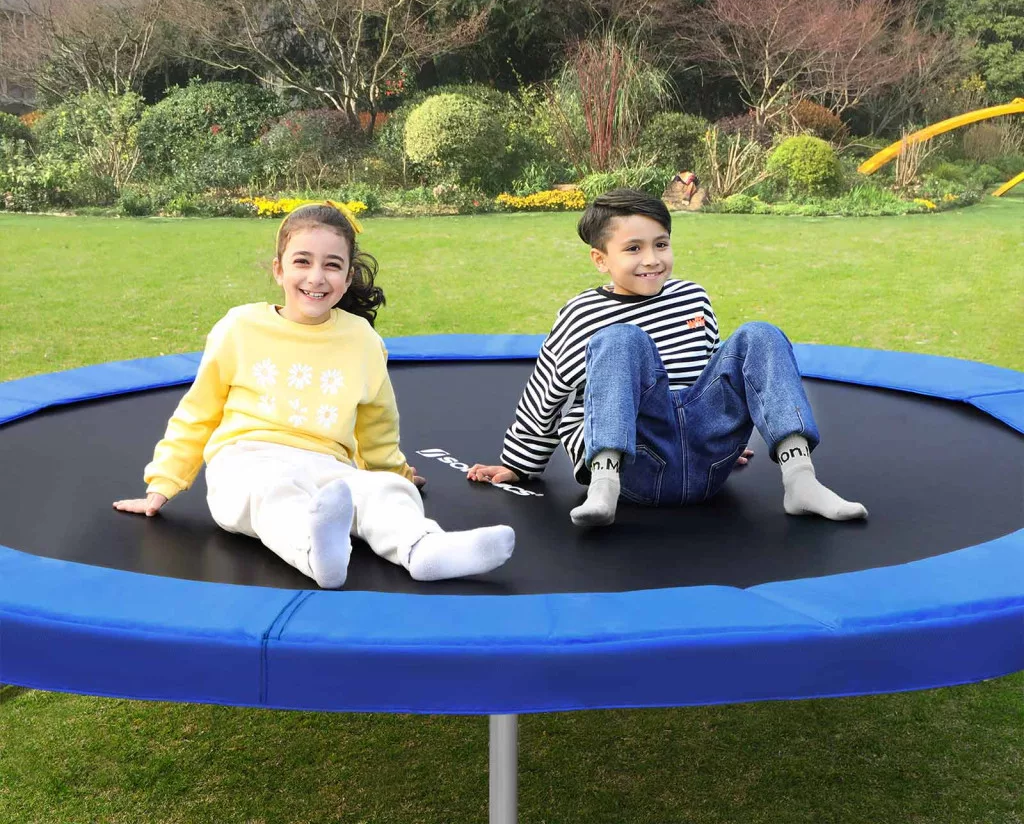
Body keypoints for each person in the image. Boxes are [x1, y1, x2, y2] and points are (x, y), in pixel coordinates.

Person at [114, 202, 515, 587]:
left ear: (348, 276)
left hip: (327, 465)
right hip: (245, 460)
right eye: (302, 262)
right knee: (273, 493)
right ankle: (314, 549)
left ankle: (424, 549)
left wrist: (396, 476)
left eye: (332, 265)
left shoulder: (361, 339)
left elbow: (378, 425)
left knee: (381, 494)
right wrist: (163, 483)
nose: (317, 277)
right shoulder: (240, 327)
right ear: (279, 269)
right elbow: (198, 412)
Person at [468, 188, 867, 527]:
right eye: (633, 248)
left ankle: (800, 480)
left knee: (760, 334)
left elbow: (715, 373)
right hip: (636, 467)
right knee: (621, 338)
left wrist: (720, 431)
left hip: (707, 464)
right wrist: (520, 464)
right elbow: (546, 393)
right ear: (600, 259)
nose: (652, 259)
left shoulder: (693, 297)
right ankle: (604, 485)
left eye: (661, 244)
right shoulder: (581, 314)